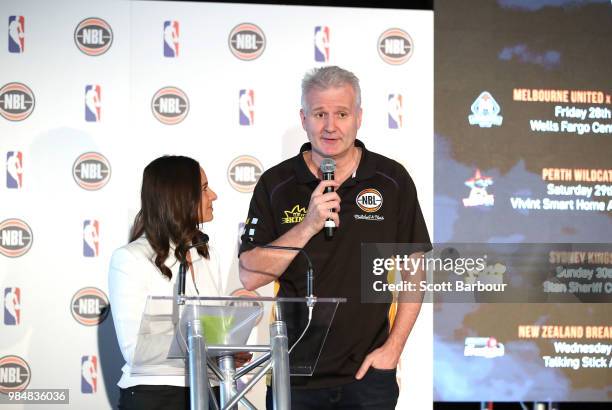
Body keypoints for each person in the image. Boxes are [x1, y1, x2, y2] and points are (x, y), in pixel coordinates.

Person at [238, 66, 431, 409]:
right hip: (294, 375)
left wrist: (394, 349)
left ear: (359, 117)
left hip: (368, 376)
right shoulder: (276, 183)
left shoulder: (391, 180)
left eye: (341, 113)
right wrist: (309, 225)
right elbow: (250, 274)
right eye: (319, 114)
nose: (330, 126)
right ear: (303, 118)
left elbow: (414, 272)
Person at [109, 155, 237, 409]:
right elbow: (135, 349)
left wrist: (229, 344)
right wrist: (207, 345)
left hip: (210, 389)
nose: (213, 195)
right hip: (156, 394)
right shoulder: (130, 259)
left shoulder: (208, 254)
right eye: (203, 189)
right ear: (179, 198)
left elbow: (211, 326)